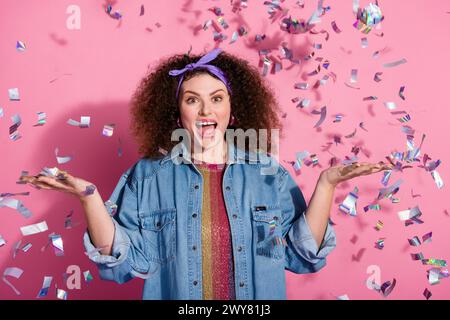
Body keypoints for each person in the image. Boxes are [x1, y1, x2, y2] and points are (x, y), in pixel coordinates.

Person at [20, 48, 391, 300]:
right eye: (192, 99)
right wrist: (90, 198)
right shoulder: (148, 176)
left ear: (234, 108)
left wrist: (326, 184)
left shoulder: (267, 173)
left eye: (216, 98)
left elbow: (301, 256)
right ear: (176, 110)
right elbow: (124, 263)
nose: (205, 110)